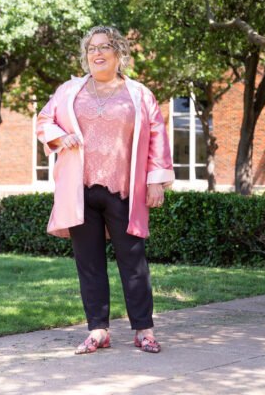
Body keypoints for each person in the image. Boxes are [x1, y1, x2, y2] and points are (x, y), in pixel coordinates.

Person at [36, 25, 174, 355]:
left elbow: (157, 137)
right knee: (89, 263)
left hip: (124, 190)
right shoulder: (69, 91)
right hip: (80, 190)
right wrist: (60, 136)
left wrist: (155, 180)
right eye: (91, 48)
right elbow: (43, 120)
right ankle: (98, 330)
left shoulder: (139, 94)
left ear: (118, 53)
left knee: (133, 261)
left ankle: (144, 330)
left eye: (104, 47)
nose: (97, 53)